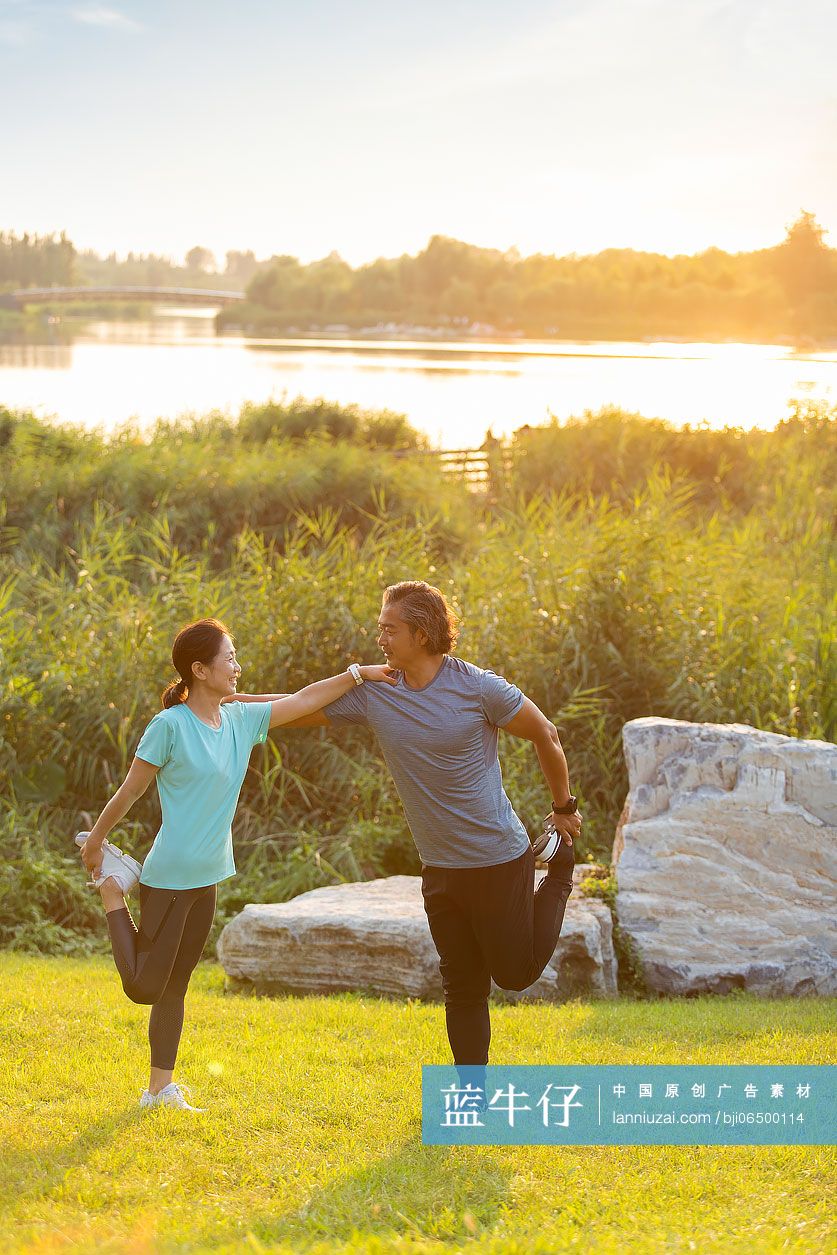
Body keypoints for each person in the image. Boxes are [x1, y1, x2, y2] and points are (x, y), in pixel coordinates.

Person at [231, 582, 581, 1092]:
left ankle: (561, 872)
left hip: (498, 858)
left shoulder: (479, 688)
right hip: (439, 866)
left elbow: (546, 734)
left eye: (389, 629)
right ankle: (471, 1098)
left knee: (514, 975)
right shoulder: (377, 692)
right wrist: (225, 703)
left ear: (420, 633)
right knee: (462, 987)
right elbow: (291, 709)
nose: (380, 639)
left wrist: (563, 807)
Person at [77, 617, 395, 1111]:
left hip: (208, 876)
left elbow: (303, 700)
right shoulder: (169, 726)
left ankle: (159, 1090)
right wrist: (97, 840)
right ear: (200, 670)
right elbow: (131, 790)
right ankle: (114, 891)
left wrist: (359, 674)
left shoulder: (240, 722)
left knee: (175, 985)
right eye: (229, 658)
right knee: (143, 987)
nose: (237, 666)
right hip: (168, 877)